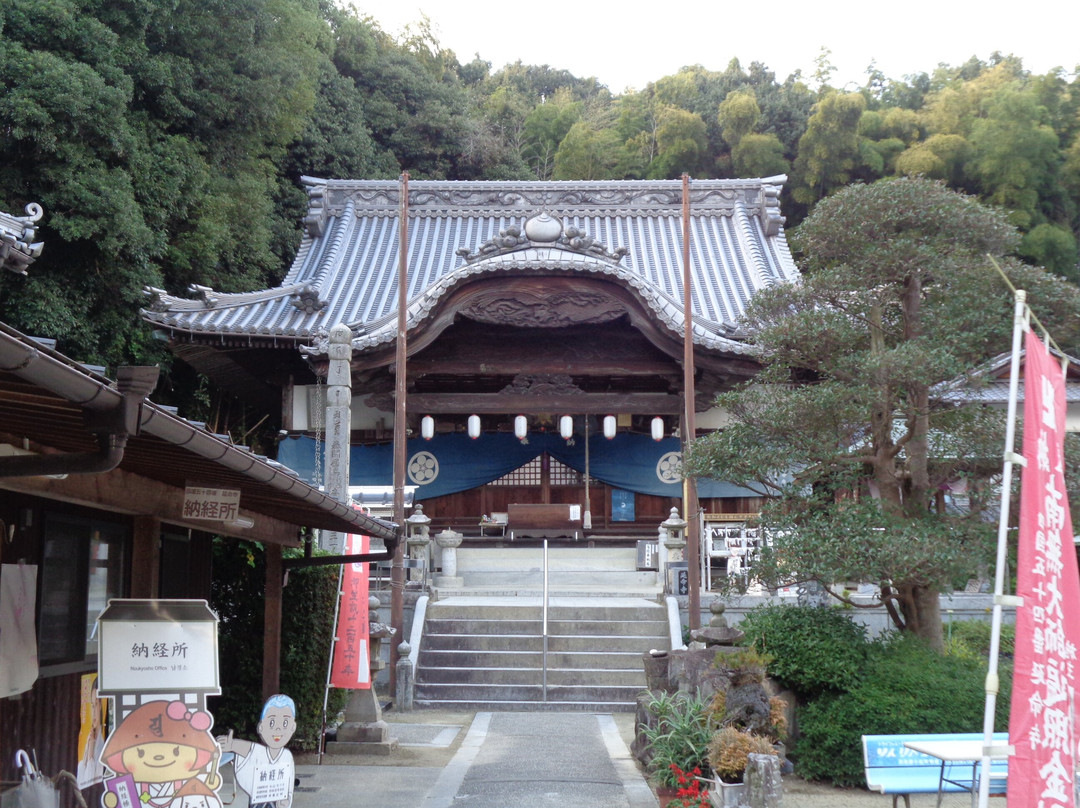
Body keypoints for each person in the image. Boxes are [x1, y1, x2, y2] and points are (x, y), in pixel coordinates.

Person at [100, 700, 222, 808]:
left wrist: (210, 780)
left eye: (176, 752)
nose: (159, 757)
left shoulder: (187, 783)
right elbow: (121, 796)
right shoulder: (133, 784)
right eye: (141, 753)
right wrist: (114, 798)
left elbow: (206, 783)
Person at [217, 694, 296, 808]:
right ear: (261, 727)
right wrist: (232, 745)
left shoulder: (287, 755)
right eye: (272, 723)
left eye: (285, 723)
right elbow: (248, 748)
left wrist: (287, 798)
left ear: (293, 727)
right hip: (258, 802)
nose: (278, 729)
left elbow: (289, 781)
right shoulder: (258, 751)